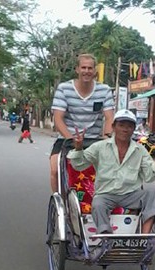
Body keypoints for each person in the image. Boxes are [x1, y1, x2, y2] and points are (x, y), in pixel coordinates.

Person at [67, 109, 155, 234]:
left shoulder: (139, 150)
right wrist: (78, 148)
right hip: (105, 194)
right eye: (121, 125)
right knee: (98, 204)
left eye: (129, 126)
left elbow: (149, 176)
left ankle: (145, 236)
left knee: (152, 193)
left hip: (130, 194)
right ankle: (105, 235)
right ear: (113, 127)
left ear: (133, 129)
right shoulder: (100, 147)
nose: (125, 129)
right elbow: (78, 165)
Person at [50, 53, 115, 193]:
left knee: (108, 172)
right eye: (83, 67)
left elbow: (109, 118)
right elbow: (58, 118)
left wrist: (107, 138)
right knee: (55, 170)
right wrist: (71, 139)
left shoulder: (104, 90)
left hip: (94, 141)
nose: (86, 71)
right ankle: (58, 202)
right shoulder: (64, 89)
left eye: (90, 68)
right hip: (66, 140)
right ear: (77, 69)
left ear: (95, 71)